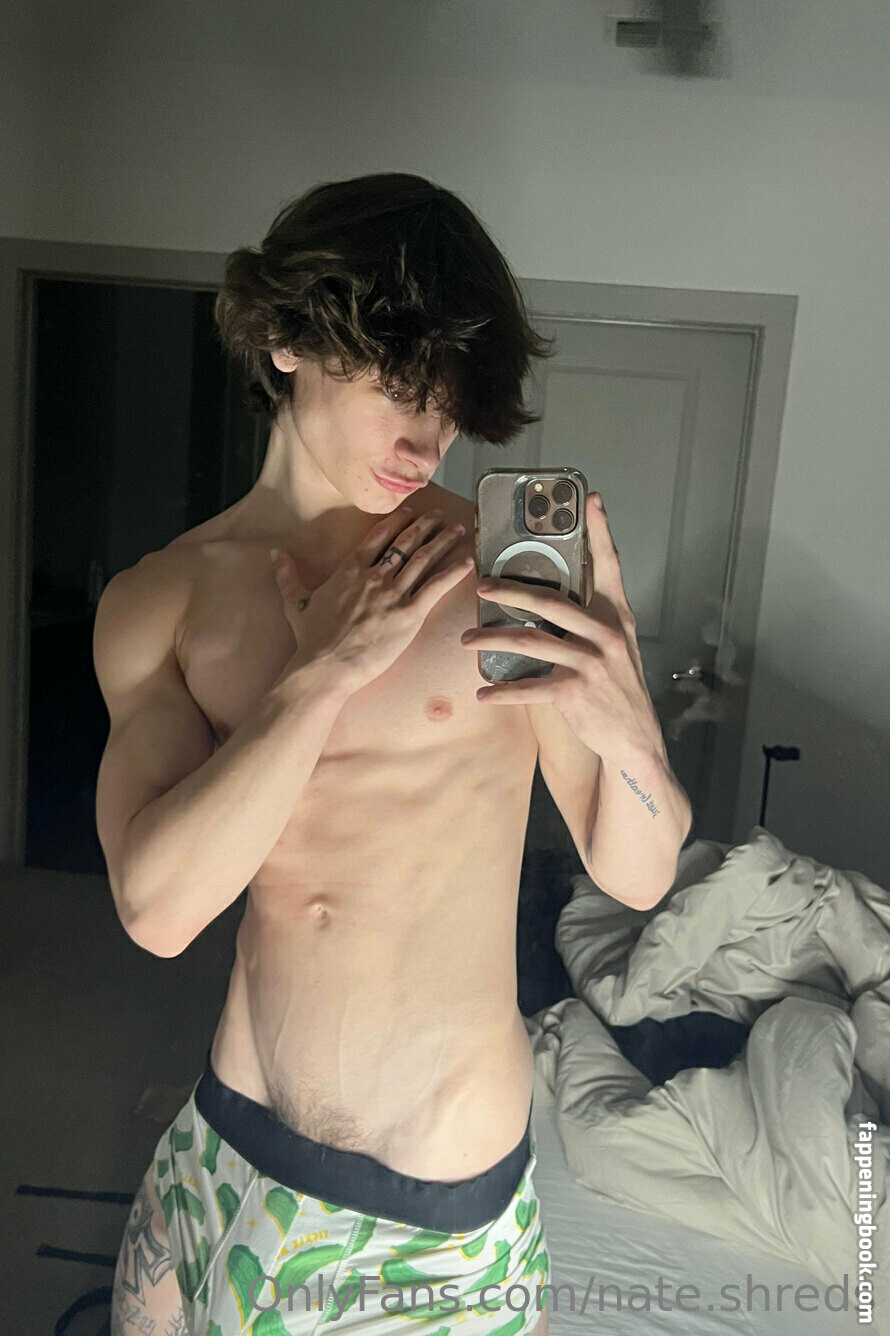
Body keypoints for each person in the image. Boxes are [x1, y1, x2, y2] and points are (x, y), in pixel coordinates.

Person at [95, 173, 691, 1336]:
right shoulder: (159, 599)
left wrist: (628, 726)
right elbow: (157, 909)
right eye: (397, 389)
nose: (428, 441)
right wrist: (320, 674)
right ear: (283, 340)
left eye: (451, 405)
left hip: (431, 1211)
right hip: (222, 1146)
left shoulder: (503, 571)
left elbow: (637, 873)